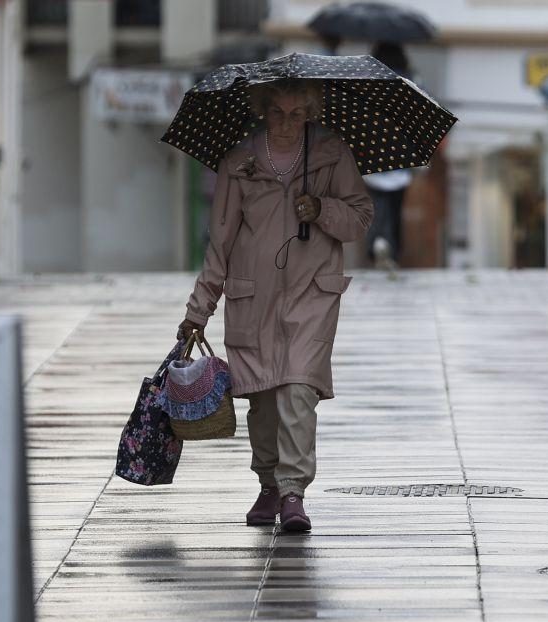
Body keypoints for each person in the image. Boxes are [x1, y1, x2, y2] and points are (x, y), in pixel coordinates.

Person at [177, 78, 373, 532]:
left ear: (310, 115)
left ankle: (292, 493)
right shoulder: (238, 162)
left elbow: (360, 218)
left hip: (313, 294)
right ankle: (268, 484)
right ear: (263, 111)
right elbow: (220, 241)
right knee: (263, 397)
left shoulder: (332, 154)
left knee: (298, 389)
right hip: (252, 296)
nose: (288, 123)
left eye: (298, 114)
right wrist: (197, 311)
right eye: (279, 113)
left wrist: (321, 208)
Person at [364, 42, 414, 266]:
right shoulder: (409, 84)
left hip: (374, 161)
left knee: (375, 207)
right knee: (395, 210)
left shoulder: (370, 82)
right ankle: (393, 249)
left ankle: (374, 246)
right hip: (400, 164)